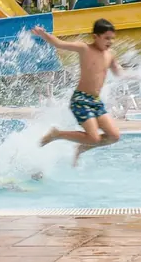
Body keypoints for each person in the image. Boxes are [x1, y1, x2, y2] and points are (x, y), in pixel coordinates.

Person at [34, 19, 123, 166]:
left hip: (95, 101)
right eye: (106, 38)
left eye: (112, 38)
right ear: (95, 37)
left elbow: (118, 72)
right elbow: (59, 44)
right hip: (80, 100)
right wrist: (44, 35)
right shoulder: (84, 49)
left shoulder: (110, 55)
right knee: (93, 138)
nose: (110, 41)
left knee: (114, 136)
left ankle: (81, 147)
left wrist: (139, 74)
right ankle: (57, 134)